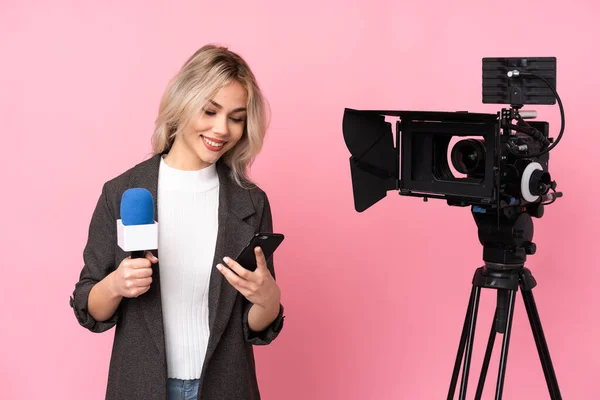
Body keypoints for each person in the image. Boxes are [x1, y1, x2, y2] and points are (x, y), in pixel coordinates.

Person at [69, 44, 285, 400]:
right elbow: (89, 307)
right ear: (183, 103)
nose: (222, 129)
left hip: (226, 387)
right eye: (210, 111)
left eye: (236, 117)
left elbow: (253, 324)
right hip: (140, 387)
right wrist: (116, 285)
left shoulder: (250, 202)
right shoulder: (123, 193)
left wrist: (269, 299)